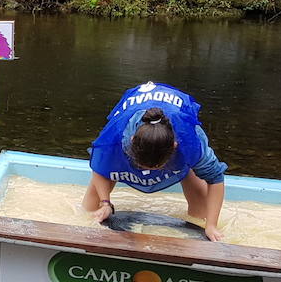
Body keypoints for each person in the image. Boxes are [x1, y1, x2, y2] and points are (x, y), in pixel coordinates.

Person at [83, 81, 227, 241]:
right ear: (131, 142)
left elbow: (215, 179)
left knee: (201, 211)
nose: (150, 173)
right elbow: (99, 168)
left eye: (157, 167)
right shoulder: (116, 137)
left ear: (174, 147)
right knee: (89, 209)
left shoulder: (190, 140)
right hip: (132, 112)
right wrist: (105, 203)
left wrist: (211, 225)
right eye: (143, 165)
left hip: (177, 117)